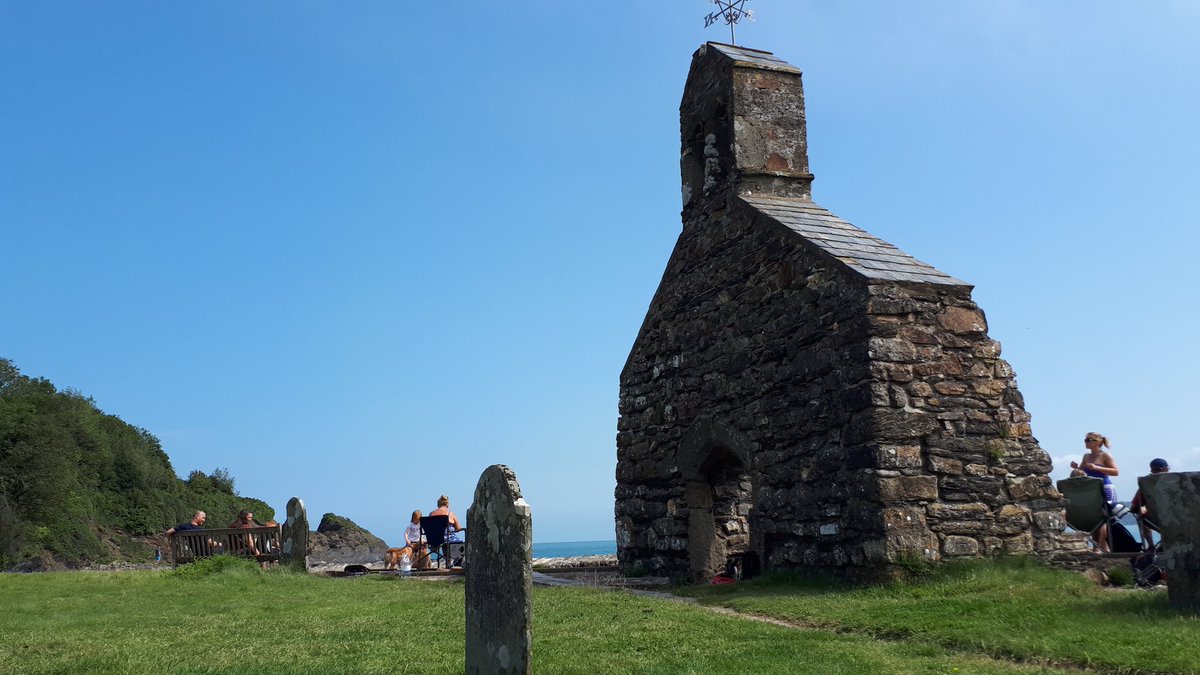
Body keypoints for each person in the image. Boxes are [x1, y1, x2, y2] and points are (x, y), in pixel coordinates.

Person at [1069, 432, 1120, 552]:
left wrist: (1098, 468)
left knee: (1101, 518)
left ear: (1097, 442)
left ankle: (1098, 548)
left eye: (1088, 440)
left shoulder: (1105, 455)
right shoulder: (1086, 456)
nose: (1085, 442)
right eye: (1085, 440)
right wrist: (1076, 468)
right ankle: (1103, 548)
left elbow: (1116, 472)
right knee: (1094, 518)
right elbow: (1081, 471)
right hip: (1090, 491)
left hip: (1104, 489)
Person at [1130, 458, 1170, 545]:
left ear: (1151, 470)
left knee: (1140, 517)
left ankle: (1151, 546)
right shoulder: (1177, 483)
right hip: (1180, 520)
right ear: (1166, 469)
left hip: (1155, 520)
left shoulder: (1146, 485)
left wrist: (1142, 509)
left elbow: (1133, 508)